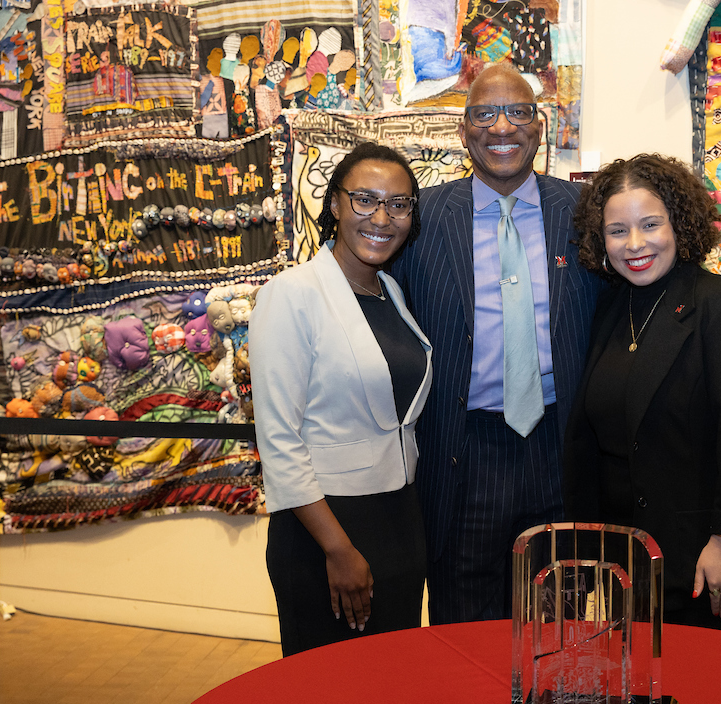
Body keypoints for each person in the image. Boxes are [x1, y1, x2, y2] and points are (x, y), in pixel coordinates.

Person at [392, 62, 603, 624]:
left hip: (559, 449)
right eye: (484, 114)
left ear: (540, 127)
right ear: (462, 132)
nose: (502, 127)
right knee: (464, 626)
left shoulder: (584, 214)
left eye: (517, 112)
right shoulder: (421, 219)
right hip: (463, 453)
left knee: (560, 624)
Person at [563, 153, 721, 634]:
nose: (635, 244)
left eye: (651, 224)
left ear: (680, 225)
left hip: (706, 560)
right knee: (642, 701)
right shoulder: (607, 308)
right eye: (618, 230)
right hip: (630, 561)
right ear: (600, 239)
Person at [250, 143, 432, 656]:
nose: (382, 217)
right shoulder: (293, 294)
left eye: (398, 204)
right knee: (328, 701)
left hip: (397, 520)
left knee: (391, 687)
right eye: (365, 200)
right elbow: (279, 439)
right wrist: (338, 548)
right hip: (325, 530)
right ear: (334, 205)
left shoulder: (391, 293)